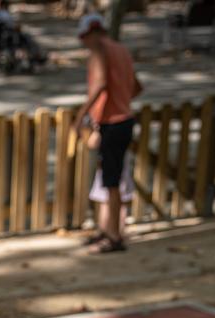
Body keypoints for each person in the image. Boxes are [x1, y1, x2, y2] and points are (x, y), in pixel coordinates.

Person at [74, 13, 142, 254]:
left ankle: (114, 237)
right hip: (125, 120)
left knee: (112, 182)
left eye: (85, 37)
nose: (83, 42)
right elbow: (136, 86)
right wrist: (121, 101)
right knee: (109, 178)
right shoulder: (122, 50)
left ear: (94, 32)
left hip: (112, 124)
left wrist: (82, 114)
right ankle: (106, 230)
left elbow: (101, 83)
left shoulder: (100, 50)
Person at [0, 0, 48, 70]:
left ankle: (36, 57)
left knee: (25, 37)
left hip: (7, 35)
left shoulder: (3, 10)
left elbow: (12, 24)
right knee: (15, 40)